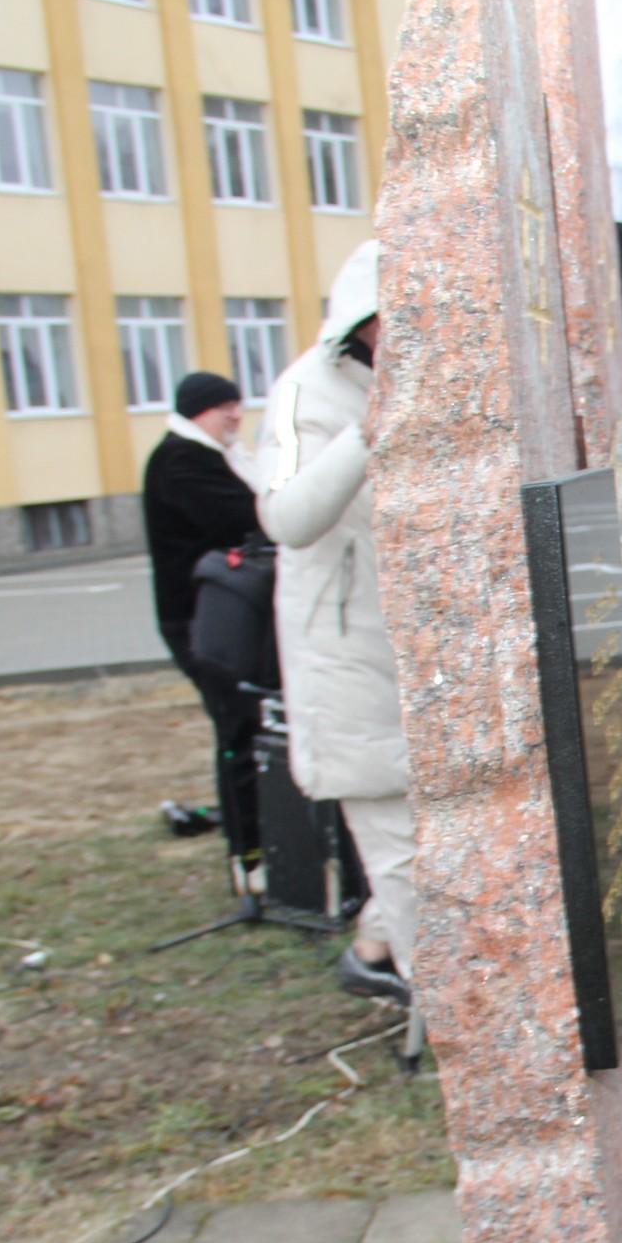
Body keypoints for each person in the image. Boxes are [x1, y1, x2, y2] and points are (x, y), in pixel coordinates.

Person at [256, 239, 414, 1007]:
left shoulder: (451, 378)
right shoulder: (306, 392)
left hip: (440, 658)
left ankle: (377, 950)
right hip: (353, 664)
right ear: (366, 317)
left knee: (454, 848)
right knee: (406, 856)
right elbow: (287, 515)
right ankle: (453, 1013)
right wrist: (369, 429)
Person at [141, 370, 265, 882]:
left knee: (252, 726)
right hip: (200, 623)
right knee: (237, 728)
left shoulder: (212, 456)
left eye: (237, 404)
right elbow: (247, 516)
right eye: (225, 407)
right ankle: (249, 858)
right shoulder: (182, 460)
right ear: (198, 410)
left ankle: (263, 844)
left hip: (225, 617)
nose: (236, 415)